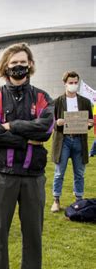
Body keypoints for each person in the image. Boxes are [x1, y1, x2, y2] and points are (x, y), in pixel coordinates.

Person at [0, 43, 54, 269]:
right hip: (2, 171)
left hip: (33, 174)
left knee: (33, 227)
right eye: (13, 63)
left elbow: (45, 130)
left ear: (30, 64)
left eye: (23, 62)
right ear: (5, 67)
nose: (19, 66)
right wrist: (25, 139)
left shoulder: (42, 98)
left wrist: (13, 126)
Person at [51, 71, 94, 212]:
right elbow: (51, 123)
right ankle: (56, 200)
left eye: (76, 83)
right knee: (59, 173)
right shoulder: (57, 101)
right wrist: (57, 122)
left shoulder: (85, 102)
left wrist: (90, 123)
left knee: (79, 173)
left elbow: (90, 121)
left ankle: (79, 200)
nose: (73, 85)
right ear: (65, 84)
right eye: (71, 83)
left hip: (79, 141)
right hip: (63, 141)